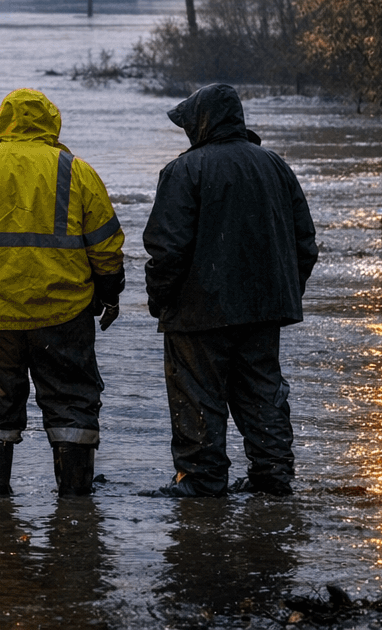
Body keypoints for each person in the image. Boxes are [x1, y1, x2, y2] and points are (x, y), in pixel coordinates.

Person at [0, 88, 125, 496]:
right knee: (71, 405)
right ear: (51, 122)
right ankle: (74, 500)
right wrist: (109, 293)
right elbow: (105, 244)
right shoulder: (75, 171)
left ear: (1, 122)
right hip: (63, 314)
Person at [141, 83, 318, 498]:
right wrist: (283, 293)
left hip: (197, 313)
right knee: (262, 392)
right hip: (264, 310)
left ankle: (201, 480)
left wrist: (160, 300)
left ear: (201, 123)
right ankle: (273, 477)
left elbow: (166, 250)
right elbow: (304, 244)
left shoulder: (184, 171)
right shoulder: (275, 166)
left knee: (197, 395)